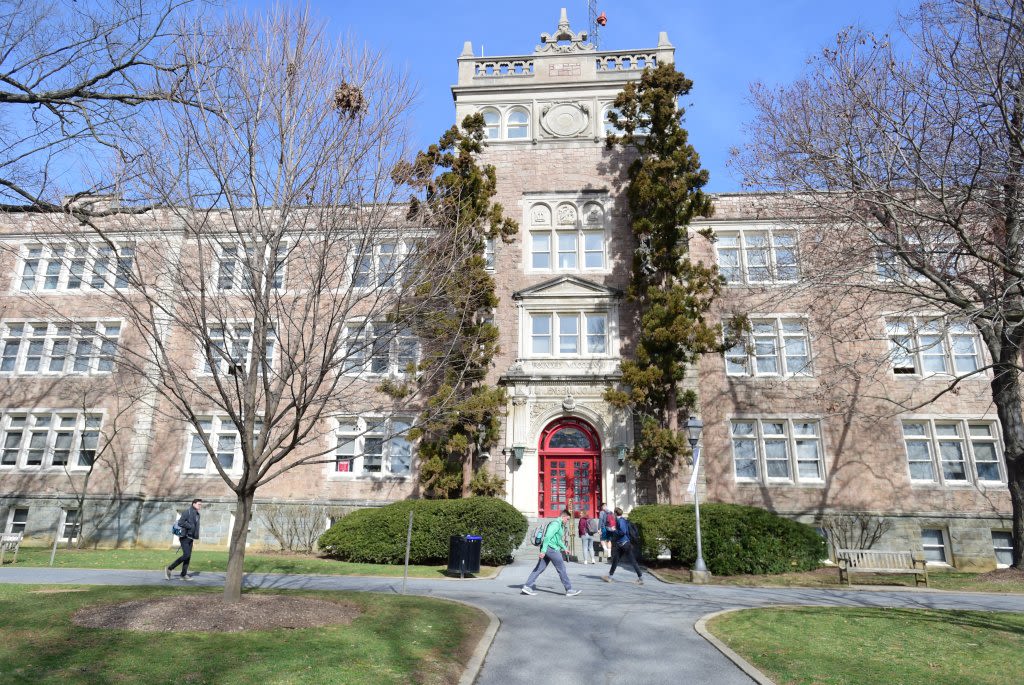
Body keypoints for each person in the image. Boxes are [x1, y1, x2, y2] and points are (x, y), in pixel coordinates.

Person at [521, 509, 581, 596]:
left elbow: (558, 539)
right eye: (567, 519)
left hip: (549, 548)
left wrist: (564, 548)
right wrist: (543, 551)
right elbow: (547, 537)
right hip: (551, 549)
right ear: (563, 517)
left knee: (539, 568)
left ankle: (527, 587)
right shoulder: (555, 524)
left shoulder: (559, 525)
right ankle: (569, 590)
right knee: (562, 569)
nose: (567, 521)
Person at [602, 507, 643, 585]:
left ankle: (640, 578)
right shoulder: (622, 520)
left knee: (632, 561)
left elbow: (622, 532)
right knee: (616, 560)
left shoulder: (620, 521)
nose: (613, 515)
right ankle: (610, 577)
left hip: (624, 544)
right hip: (622, 544)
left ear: (615, 513)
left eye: (614, 513)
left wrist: (614, 530)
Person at [165, 498, 202, 580]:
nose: (200, 506)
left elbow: (196, 527)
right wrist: (190, 526)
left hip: (191, 538)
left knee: (188, 556)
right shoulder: (187, 512)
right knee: (186, 555)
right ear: (194, 504)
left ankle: (183, 574)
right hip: (184, 537)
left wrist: (195, 536)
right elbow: (181, 522)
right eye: (199, 504)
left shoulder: (197, 514)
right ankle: (170, 568)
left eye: (200, 504)